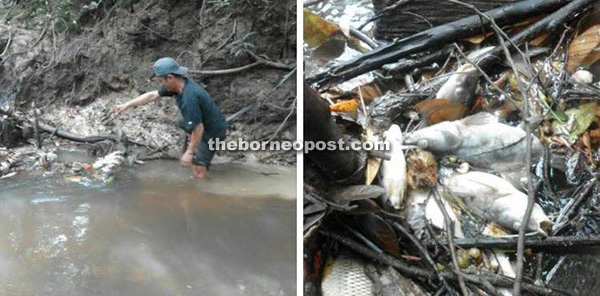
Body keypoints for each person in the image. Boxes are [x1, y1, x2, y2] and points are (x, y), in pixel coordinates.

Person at [114, 57, 227, 179]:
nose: (161, 84)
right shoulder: (178, 85)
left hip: (211, 132)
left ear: (170, 77)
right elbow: (153, 95)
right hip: (201, 122)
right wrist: (127, 104)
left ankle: (202, 186)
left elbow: (199, 128)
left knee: (199, 170)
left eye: (161, 81)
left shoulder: (189, 98)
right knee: (183, 123)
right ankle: (193, 146)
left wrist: (189, 153)